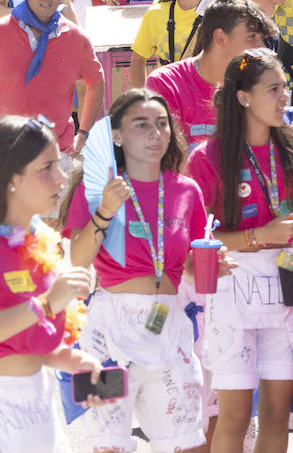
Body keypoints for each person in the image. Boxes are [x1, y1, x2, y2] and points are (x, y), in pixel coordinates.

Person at [186, 49, 293, 453]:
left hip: (284, 286)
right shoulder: (208, 157)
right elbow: (195, 240)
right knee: (232, 417)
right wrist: (258, 236)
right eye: (274, 89)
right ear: (244, 97)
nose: (284, 96)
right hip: (232, 289)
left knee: (276, 413)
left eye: (284, 87)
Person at [63, 89, 216, 453]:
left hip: (169, 324)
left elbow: (193, 269)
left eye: (162, 124)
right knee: (109, 446)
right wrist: (106, 210)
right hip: (108, 332)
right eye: (141, 125)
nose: (155, 134)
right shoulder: (98, 187)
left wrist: (217, 264)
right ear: (116, 135)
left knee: (187, 443)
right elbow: (78, 259)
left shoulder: (186, 190)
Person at [0, 115, 104, 451]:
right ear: (11, 178)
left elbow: (19, 342)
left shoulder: (39, 241)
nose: (62, 176)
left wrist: (64, 358)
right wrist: (46, 303)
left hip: (37, 402)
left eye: (59, 164)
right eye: (47, 167)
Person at [0, 0, 103, 153]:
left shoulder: (76, 39)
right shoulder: (2, 31)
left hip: (57, 152)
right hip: (6, 151)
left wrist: (84, 133)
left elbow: (96, 82)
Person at [147, 0, 275, 145]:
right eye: (252, 37)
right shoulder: (164, 84)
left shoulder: (256, 86)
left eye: (262, 39)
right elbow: (169, 158)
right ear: (220, 38)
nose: (262, 48)